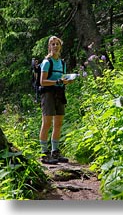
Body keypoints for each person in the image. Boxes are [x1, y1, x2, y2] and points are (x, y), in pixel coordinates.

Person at [39, 35, 73, 164]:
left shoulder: (62, 63)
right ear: (49, 47)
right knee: (47, 123)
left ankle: (55, 151)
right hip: (47, 94)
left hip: (60, 93)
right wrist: (58, 81)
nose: (55, 46)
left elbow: (63, 79)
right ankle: (44, 153)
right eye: (52, 44)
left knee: (58, 123)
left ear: (60, 46)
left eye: (57, 44)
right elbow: (42, 82)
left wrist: (67, 81)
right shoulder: (47, 62)